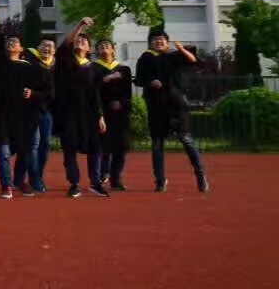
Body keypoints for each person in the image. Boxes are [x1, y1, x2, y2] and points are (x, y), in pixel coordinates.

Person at [0, 2, 47, 200]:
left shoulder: (30, 68)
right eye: (8, 42)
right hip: (1, 116)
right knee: (4, 152)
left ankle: (19, 180)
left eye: (14, 42)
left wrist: (32, 94)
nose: (10, 43)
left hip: (23, 117)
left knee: (24, 150)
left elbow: (44, 92)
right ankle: (6, 185)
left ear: (22, 48)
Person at [135, 29, 208, 194]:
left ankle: (200, 175)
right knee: (157, 145)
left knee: (187, 140)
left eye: (161, 39)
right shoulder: (146, 58)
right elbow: (139, 80)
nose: (158, 41)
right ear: (150, 43)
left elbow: (194, 61)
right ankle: (160, 180)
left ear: (167, 42)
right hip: (156, 107)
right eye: (154, 39)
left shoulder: (174, 56)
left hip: (177, 106)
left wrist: (182, 49)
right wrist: (150, 81)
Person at [55, 18, 106, 198]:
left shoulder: (94, 68)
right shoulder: (65, 59)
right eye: (78, 39)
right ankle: (74, 183)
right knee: (70, 149)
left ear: (89, 49)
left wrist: (100, 115)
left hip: (89, 113)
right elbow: (66, 43)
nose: (80, 41)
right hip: (68, 112)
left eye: (84, 41)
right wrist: (80, 26)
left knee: (95, 148)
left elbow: (96, 93)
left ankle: (96, 182)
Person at [93, 39, 132, 192]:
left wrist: (121, 103)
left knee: (121, 147)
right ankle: (103, 176)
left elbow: (127, 92)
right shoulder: (94, 68)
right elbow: (94, 90)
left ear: (113, 50)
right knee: (104, 146)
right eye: (100, 46)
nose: (103, 47)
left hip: (121, 112)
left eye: (106, 45)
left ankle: (116, 178)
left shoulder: (124, 69)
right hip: (103, 112)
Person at [20, 38, 57, 194]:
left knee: (46, 144)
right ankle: (34, 179)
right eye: (43, 45)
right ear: (37, 48)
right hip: (31, 111)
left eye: (50, 46)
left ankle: (38, 175)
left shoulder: (58, 67)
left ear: (54, 51)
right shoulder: (30, 65)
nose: (46, 48)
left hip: (48, 111)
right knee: (33, 145)